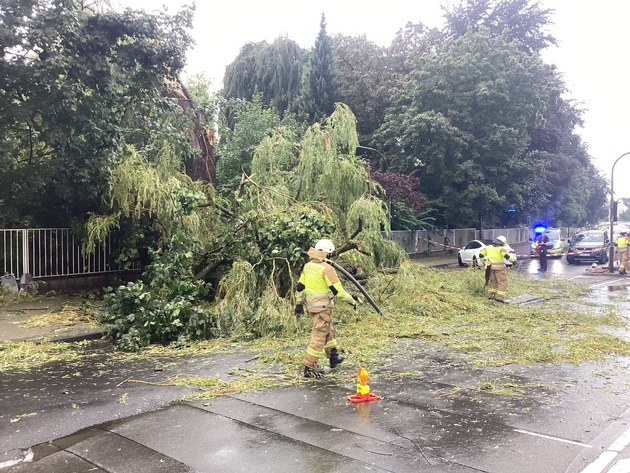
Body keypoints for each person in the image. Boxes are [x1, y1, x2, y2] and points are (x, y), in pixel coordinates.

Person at [295, 239, 359, 378]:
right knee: (318, 337)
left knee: (329, 331)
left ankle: (333, 357)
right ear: (327, 253)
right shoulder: (327, 269)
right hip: (322, 308)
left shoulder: (308, 266)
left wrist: (299, 304)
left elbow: (300, 287)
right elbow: (338, 291)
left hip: (313, 307)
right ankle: (309, 367)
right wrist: (352, 301)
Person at [479, 235, 517, 303]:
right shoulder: (501, 249)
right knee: (502, 282)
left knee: (493, 282)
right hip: (500, 269)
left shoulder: (488, 248)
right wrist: (513, 261)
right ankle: (499, 297)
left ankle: (490, 295)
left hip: (490, 268)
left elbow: (480, 255)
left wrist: (484, 261)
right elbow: (507, 256)